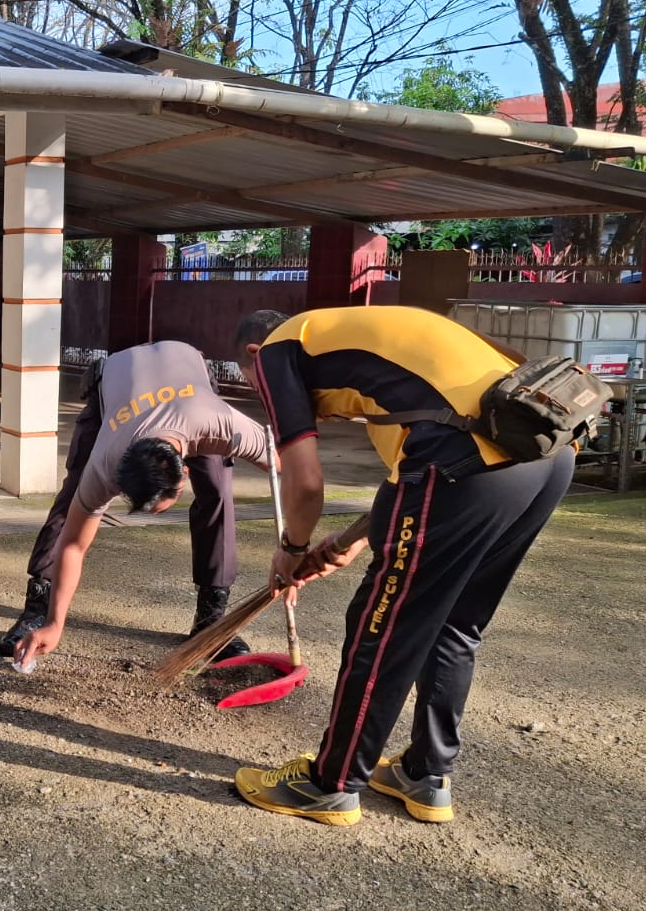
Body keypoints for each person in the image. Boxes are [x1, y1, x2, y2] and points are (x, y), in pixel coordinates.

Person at [230, 306, 575, 827]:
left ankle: (330, 785)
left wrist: (291, 549)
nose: (265, 398)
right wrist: (350, 539)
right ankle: (425, 775)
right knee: (456, 622)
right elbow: (416, 475)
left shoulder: (278, 350)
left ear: (254, 355)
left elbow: (305, 483)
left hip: (469, 462)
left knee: (382, 627)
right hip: (545, 453)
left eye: (253, 386)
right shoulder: (375, 350)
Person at [6, 340, 272, 674]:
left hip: (189, 385)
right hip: (118, 378)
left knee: (217, 491)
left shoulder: (221, 424)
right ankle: (37, 608)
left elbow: (285, 467)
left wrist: (294, 547)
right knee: (74, 495)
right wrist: (55, 624)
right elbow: (74, 544)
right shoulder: (106, 462)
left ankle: (210, 618)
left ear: (184, 473)